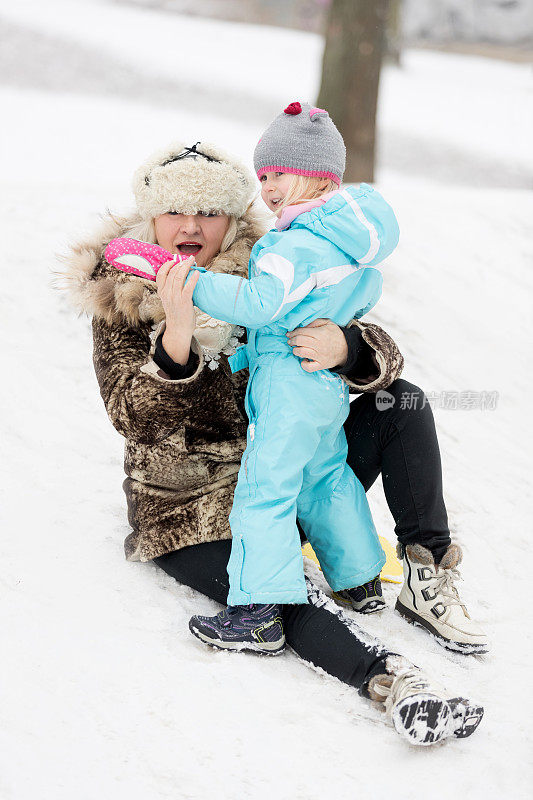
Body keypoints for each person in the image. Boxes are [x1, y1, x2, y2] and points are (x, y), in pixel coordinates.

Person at [62, 138, 485, 745]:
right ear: (150, 218)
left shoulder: (274, 261)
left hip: (289, 474)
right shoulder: (123, 293)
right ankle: (394, 683)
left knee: (404, 401)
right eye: (175, 211)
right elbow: (134, 417)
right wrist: (177, 342)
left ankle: (425, 575)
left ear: (233, 219)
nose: (190, 226)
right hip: (197, 506)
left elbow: (378, 344)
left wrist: (348, 348)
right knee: (276, 591)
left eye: (208, 212)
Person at [162, 102, 399, 652]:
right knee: (326, 479)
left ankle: (259, 612)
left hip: (289, 391)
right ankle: (359, 578)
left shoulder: (291, 245)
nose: (267, 187)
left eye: (279, 174)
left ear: (318, 176)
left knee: (265, 491)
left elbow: (263, 304)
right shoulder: (341, 244)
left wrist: (193, 283)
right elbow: (340, 303)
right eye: (263, 174)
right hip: (322, 384)